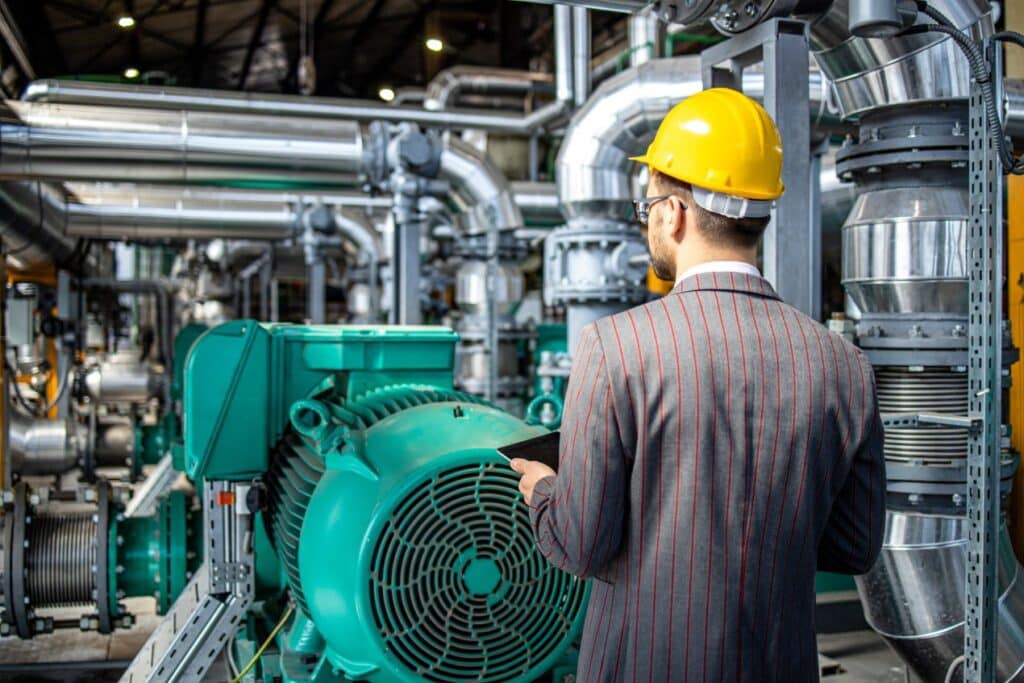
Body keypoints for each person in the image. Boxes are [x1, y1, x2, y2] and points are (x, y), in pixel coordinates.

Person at [510, 88, 885, 682]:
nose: (649, 221)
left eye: (648, 206)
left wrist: (545, 490)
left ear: (674, 212)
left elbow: (580, 545)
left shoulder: (616, 346)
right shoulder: (843, 364)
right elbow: (855, 547)